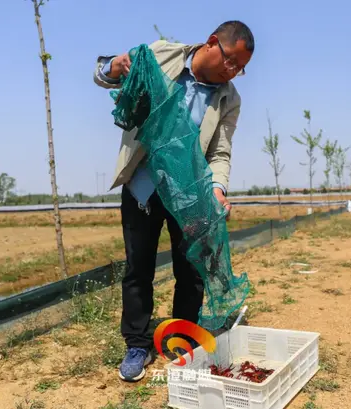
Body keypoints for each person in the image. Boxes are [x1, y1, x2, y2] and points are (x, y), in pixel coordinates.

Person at [92, 20, 254, 382]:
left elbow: (220, 153)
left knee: (191, 272)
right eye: (231, 61)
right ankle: (137, 343)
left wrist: (218, 189)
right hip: (143, 188)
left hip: (188, 195)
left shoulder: (229, 98)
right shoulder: (162, 55)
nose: (233, 72)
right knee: (139, 270)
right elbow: (106, 74)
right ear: (213, 43)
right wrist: (112, 67)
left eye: (240, 69)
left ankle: (181, 338)